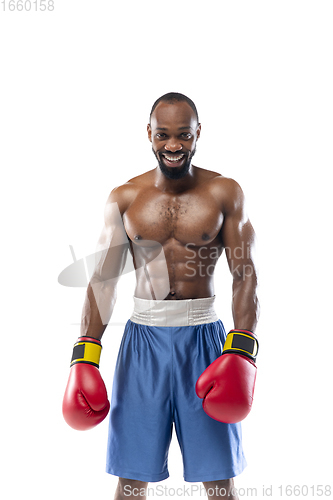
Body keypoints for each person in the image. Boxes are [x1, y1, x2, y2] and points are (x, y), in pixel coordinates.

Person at [63, 92, 260, 500]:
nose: (173, 145)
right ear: (149, 134)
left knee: (219, 480)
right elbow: (103, 279)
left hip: (205, 340)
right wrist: (85, 354)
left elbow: (245, 273)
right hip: (143, 343)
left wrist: (241, 351)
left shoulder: (225, 193)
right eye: (164, 135)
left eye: (184, 135)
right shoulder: (125, 198)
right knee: (132, 479)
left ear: (198, 134)